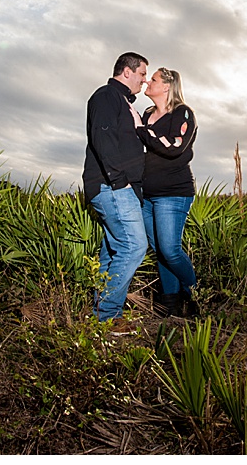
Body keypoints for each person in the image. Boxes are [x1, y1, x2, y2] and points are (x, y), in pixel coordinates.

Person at [83, 52, 149, 326]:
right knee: (134, 246)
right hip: (111, 186)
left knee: (113, 250)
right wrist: (119, 181)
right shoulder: (107, 95)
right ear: (127, 71)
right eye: (143, 74)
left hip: (119, 187)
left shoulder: (124, 102)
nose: (145, 81)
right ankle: (106, 317)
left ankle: (104, 315)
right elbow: (103, 137)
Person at [130, 67, 200, 318]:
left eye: (155, 79)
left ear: (167, 86)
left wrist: (141, 129)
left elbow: (173, 147)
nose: (149, 82)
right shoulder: (147, 113)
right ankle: (170, 304)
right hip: (146, 194)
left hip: (173, 193)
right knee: (159, 249)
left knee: (170, 249)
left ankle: (195, 296)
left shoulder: (183, 113)